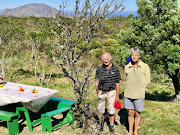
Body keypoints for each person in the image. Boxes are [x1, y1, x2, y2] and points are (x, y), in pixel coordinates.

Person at [124, 47, 150, 135]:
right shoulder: (127, 66)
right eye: (132, 55)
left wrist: (141, 87)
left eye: (136, 55)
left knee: (137, 113)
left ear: (139, 56)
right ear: (130, 56)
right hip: (128, 93)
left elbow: (147, 80)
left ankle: (135, 132)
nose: (134, 57)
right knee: (130, 113)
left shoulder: (145, 66)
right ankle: (130, 131)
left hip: (139, 94)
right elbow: (126, 78)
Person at [95, 52, 121, 134]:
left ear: (110, 59)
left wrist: (117, 95)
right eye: (104, 59)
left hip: (111, 92)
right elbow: (96, 80)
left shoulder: (116, 69)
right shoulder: (99, 69)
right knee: (100, 110)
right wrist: (97, 89)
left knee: (111, 111)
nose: (106, 60)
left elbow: (118, 82)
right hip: (102, 92)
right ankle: (101, 125)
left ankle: (111, 126)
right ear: (102, 60)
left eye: (107, 59)